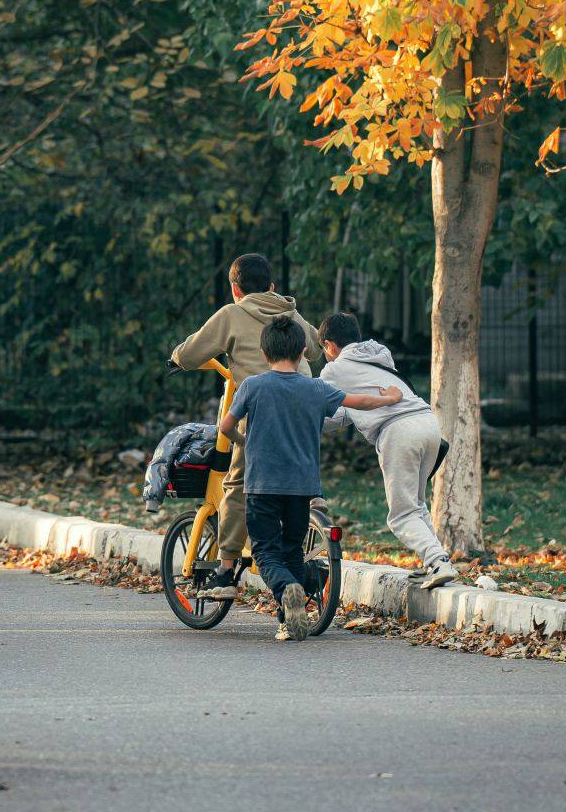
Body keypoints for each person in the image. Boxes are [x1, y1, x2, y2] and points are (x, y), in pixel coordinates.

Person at [220, 314, 403, 641]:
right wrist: (389, 398)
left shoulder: (252, 386)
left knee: (265, 551)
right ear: (304, 351)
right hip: (302, 487)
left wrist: (241, 439)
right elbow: (357, 401)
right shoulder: (315, 388)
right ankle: (288, 619)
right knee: (292, 548)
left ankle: (286, 587)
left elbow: (226, 426)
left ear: (264, 353)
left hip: (262, 485)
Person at [169, 252, 320, 599]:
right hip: (303, 410)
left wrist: (176, 357)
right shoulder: (289, 311)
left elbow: (192, 352)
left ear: (236, 289)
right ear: (271, 286)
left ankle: (224, 572)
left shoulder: (232, 314)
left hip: (261, 413)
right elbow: (313, 348)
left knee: (237, 483)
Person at [319, 311, 457, 589]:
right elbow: (347, 412)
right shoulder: (381, 357)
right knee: (416, 504)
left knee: (401, 515)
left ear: (329, 345)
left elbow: (316, 406)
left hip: (399, 431)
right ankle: (436, 561)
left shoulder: (334, 370)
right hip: (427, 422)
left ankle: (438, 561)